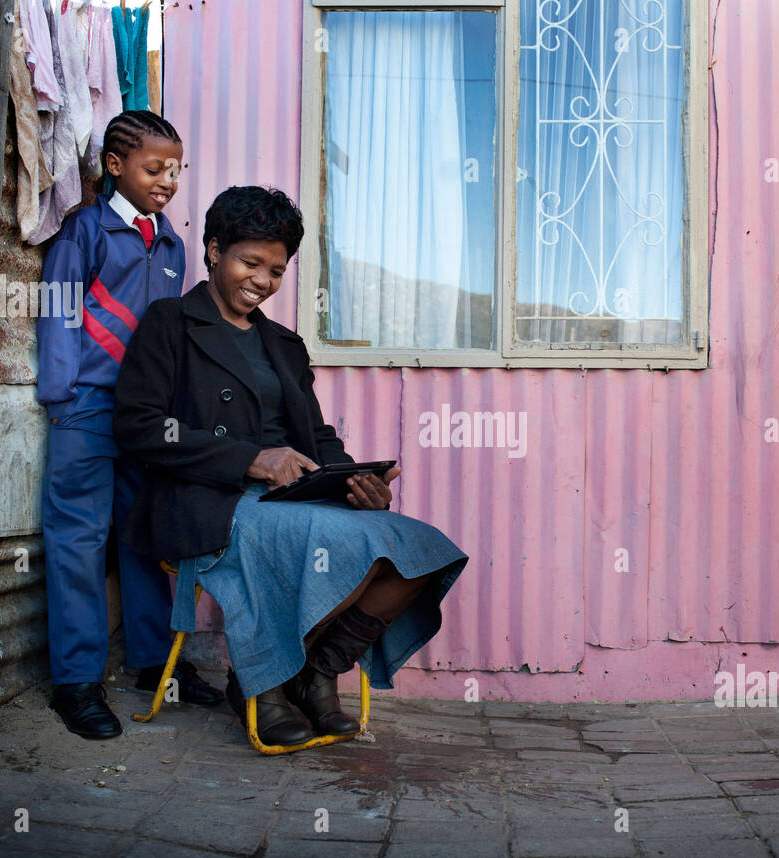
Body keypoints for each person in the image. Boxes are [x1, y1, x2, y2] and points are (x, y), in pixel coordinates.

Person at [112, 185, 468, 747]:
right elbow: (140, 426)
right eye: (249, 262)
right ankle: (261, 684)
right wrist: (251, 458)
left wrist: (355, 480)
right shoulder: (171, 322)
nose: (262, 281)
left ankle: (314, 672)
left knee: (420, 549)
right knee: (323, 538)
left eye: (276, 270)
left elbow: (316, 435)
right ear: (212, 250)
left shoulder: (284, 344)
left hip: (292, 496)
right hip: (204, 498)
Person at [37, 110, 224, 741]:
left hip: (150, 421)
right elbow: (59, 314)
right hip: (86, 409)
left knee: (149, 539)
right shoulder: (83, 233)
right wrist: (62, 394)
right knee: (78, 543)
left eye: (177, 169)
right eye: (154, 168)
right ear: (115, 166)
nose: (169, 180)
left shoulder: (172, 243)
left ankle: (157, 667)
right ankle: (76, 683)